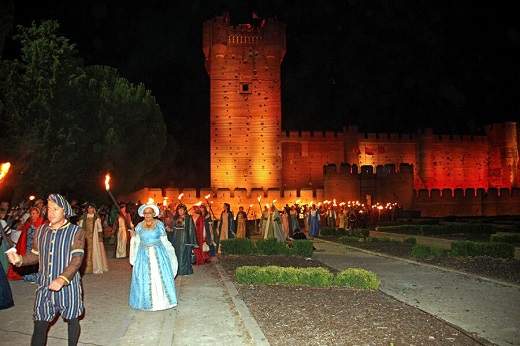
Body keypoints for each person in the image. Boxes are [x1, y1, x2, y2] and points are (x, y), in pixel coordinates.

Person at [7, 193, 85, 346]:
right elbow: (35, 255)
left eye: (56, 209)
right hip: (44, 285)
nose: (51, 213)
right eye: (49, 209)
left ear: (65, 211)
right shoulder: (41, 230)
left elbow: (77, 259)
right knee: (40, 323)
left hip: (68, 286)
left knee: (72, 319)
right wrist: (20, 260)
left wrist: (62, 278)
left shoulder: (76, 232)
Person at [128, 201, 178, 311]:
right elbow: (137, 239)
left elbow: (164, 240)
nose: (147, 215)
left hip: (158, 253)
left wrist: (170, 253)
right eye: (145, 213)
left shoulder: (159, 224)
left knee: (158, 275)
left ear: (153, 213)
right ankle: (145, 302)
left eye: (149, 213)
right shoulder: (140, 226)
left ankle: (161, 302)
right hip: (143, 254)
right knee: (144, 276)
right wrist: (134, 236)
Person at [7, 206, 45, 281]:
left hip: (36, 245)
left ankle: (36, 276)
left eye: (34, 213)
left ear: (38, 214)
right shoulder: (28, 223)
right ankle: (28, 276)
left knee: (36, 261)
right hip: (28, 245)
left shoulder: (41, 222)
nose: (32, 215)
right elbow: (24, 234)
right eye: (31, 213)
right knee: (28, 260)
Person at [78, 202, 109, 274]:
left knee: (94, 251)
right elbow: (80, 226)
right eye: (88, 208)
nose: (89, 209)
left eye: (91, 208)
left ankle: (95, 267)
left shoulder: (96, 218)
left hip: (94, 237)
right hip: (86, 237)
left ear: (93, 209)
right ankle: (85, 268)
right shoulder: (84, 217)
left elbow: (100, 228)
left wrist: (100, 238)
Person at [169, 204, 198, 275]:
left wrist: (190, 241)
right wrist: (170, 229)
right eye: (179, 210)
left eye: (182, 210)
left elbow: (191, 229)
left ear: (185, 211)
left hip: (185, 239)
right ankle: (178, 270)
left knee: (184, 255)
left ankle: (185, 270)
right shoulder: (177, 218)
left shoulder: (188, 218)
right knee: (178, 254)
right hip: (177, 239)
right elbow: (174, 228)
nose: (180, 211)